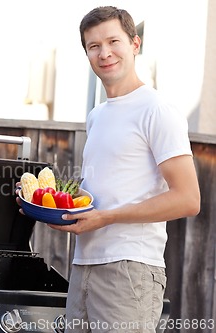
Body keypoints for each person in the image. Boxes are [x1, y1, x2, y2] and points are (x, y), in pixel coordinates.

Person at [17, 6, 200, 333]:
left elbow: (188, 199)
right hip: (84, 266)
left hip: (130, 271)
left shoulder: (158, 110)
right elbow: (97, 198)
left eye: (113, 41)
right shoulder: (97, 115)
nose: (105, 53)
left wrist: (108, 218)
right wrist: (49, 204)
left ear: (135, 44)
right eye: (94, 46)